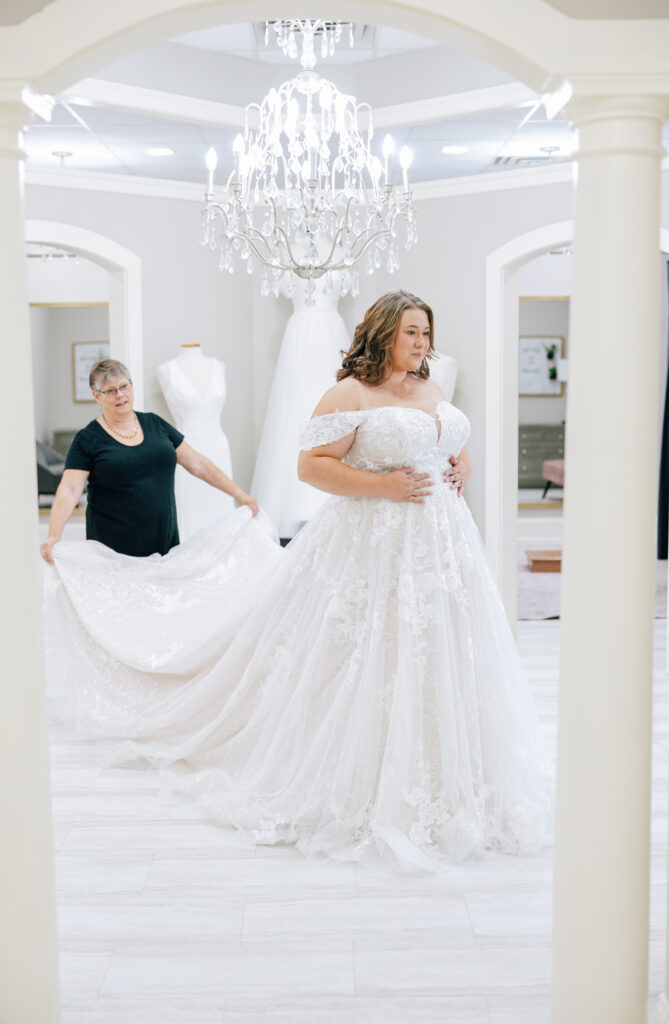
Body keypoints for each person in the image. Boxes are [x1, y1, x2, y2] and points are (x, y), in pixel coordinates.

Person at [43, 295, 549, 871]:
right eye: (412, 332)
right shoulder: (349, 394)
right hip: (376, 540)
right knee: (370, 654)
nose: (422, 343)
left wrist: (462, 466)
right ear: (385, 333)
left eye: (427, 332)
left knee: (442, 651)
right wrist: (383, 487)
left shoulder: (428, 388)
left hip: (444, 544)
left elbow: (447, 446)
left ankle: (451, 771)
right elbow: (310, 467)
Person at [40, 359, 257, 564]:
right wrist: (53, 536)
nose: (120, 395)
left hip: (163, 544)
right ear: (97, 396)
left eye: (124, 386)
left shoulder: (155, 423)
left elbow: (199, 465)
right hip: (113, 553)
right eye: (111, 391)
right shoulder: (87, 439)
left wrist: (239, 495)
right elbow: (70, 490)